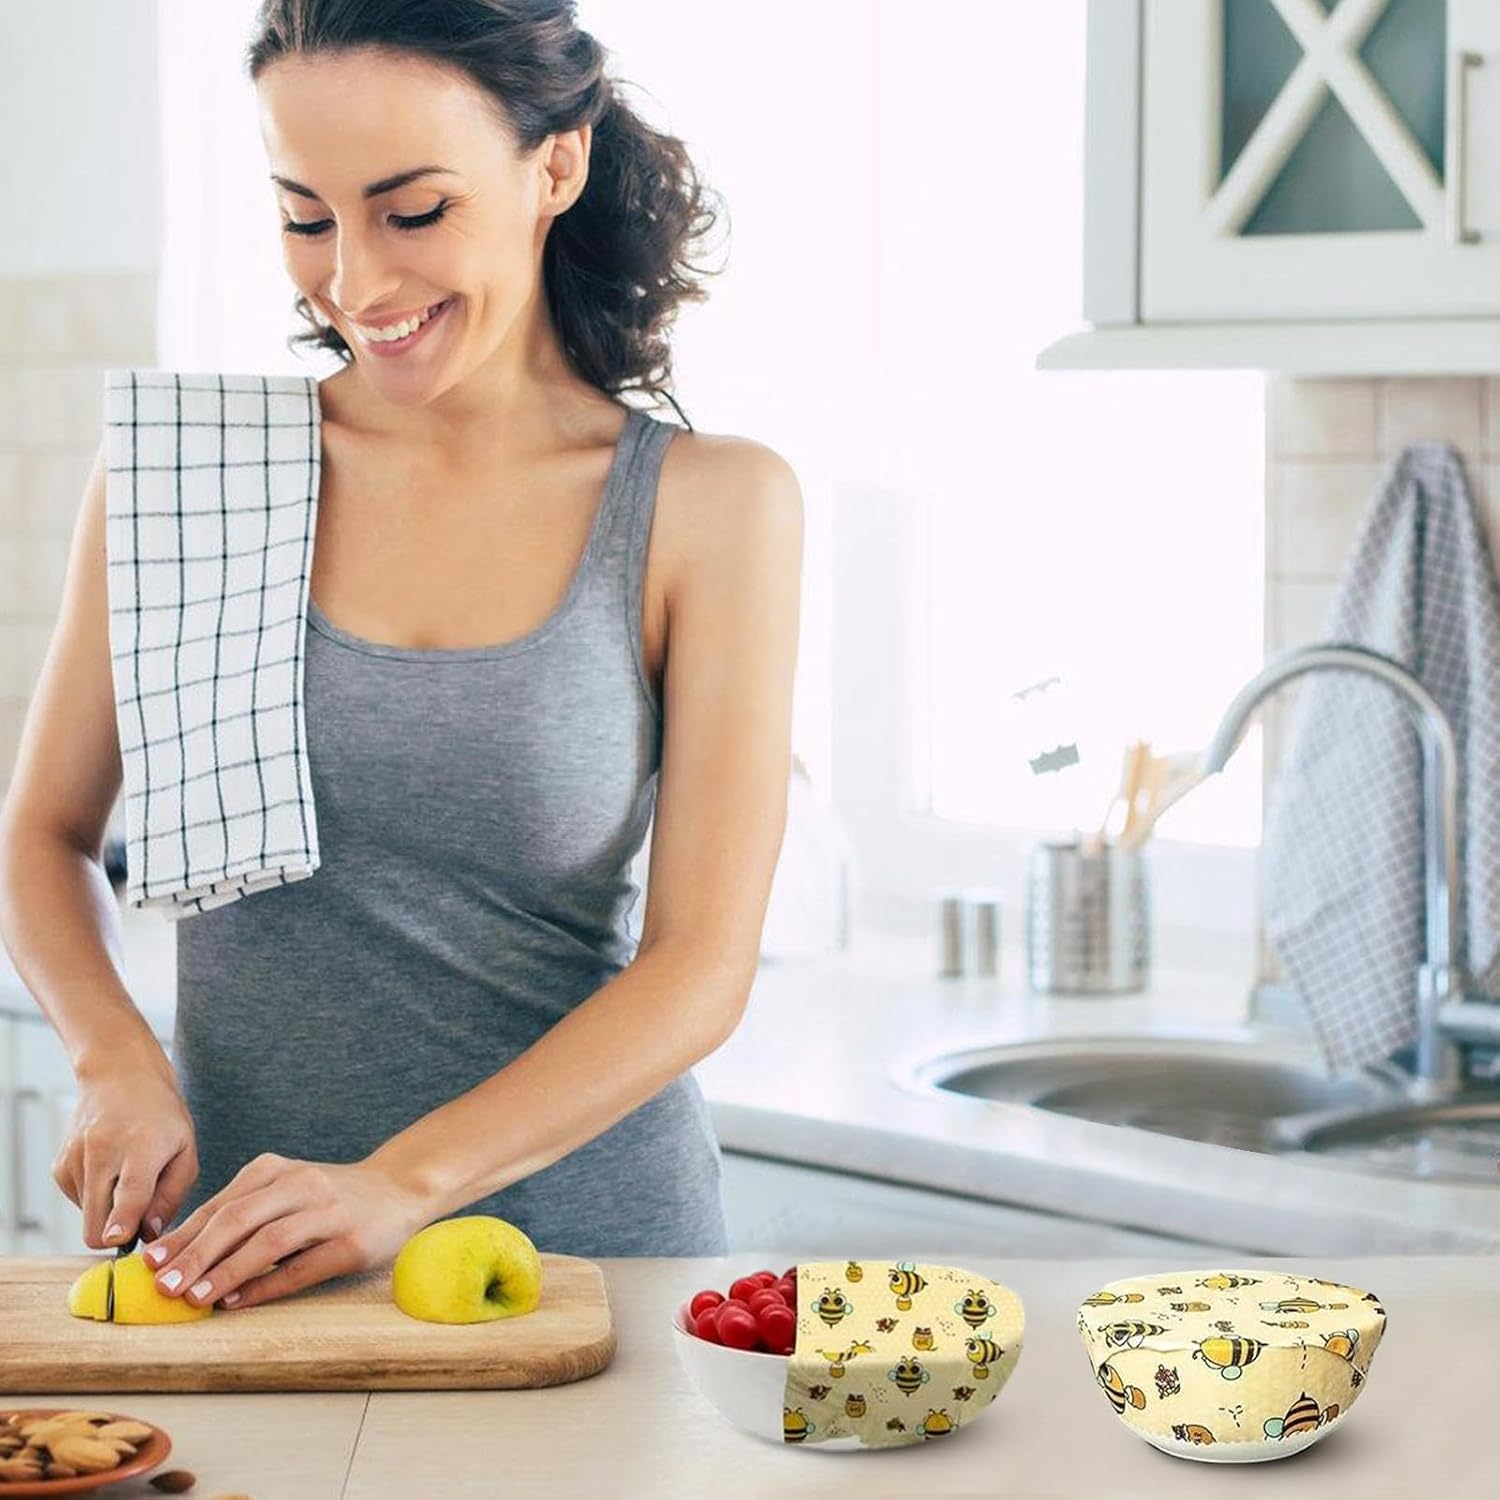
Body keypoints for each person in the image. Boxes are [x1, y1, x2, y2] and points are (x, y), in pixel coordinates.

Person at [0, 0, 801, 1310]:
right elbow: (40, 834)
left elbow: (700, 967)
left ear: (556, 164)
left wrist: (398, 1184)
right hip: (247, 1269)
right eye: (304, 218)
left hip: (586, 1270)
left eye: (412, 212)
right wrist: (110, 1054)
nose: (356, 284)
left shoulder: (709, 506)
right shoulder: (187, 476)